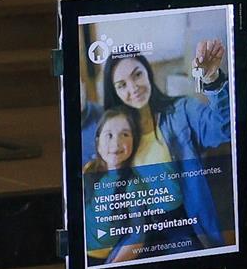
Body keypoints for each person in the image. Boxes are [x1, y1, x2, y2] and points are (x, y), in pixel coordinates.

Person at [98, 41, 231, 250]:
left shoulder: (181, 111)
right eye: (122, 85)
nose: (133, 88)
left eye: (137, 75)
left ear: (147, 72)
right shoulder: (114, 132)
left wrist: (212, 78)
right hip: (135, 232)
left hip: (183, 226)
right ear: (114, 92)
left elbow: (225, 128)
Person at [81, 105, 148, 266]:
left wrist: (110, 266)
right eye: (108, 135)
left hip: (101, 259)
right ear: (97, 142)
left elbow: (137, 236)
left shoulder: (133, 184)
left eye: (125, 134)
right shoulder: (89, 169)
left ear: (135, 141)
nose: (116, 142)